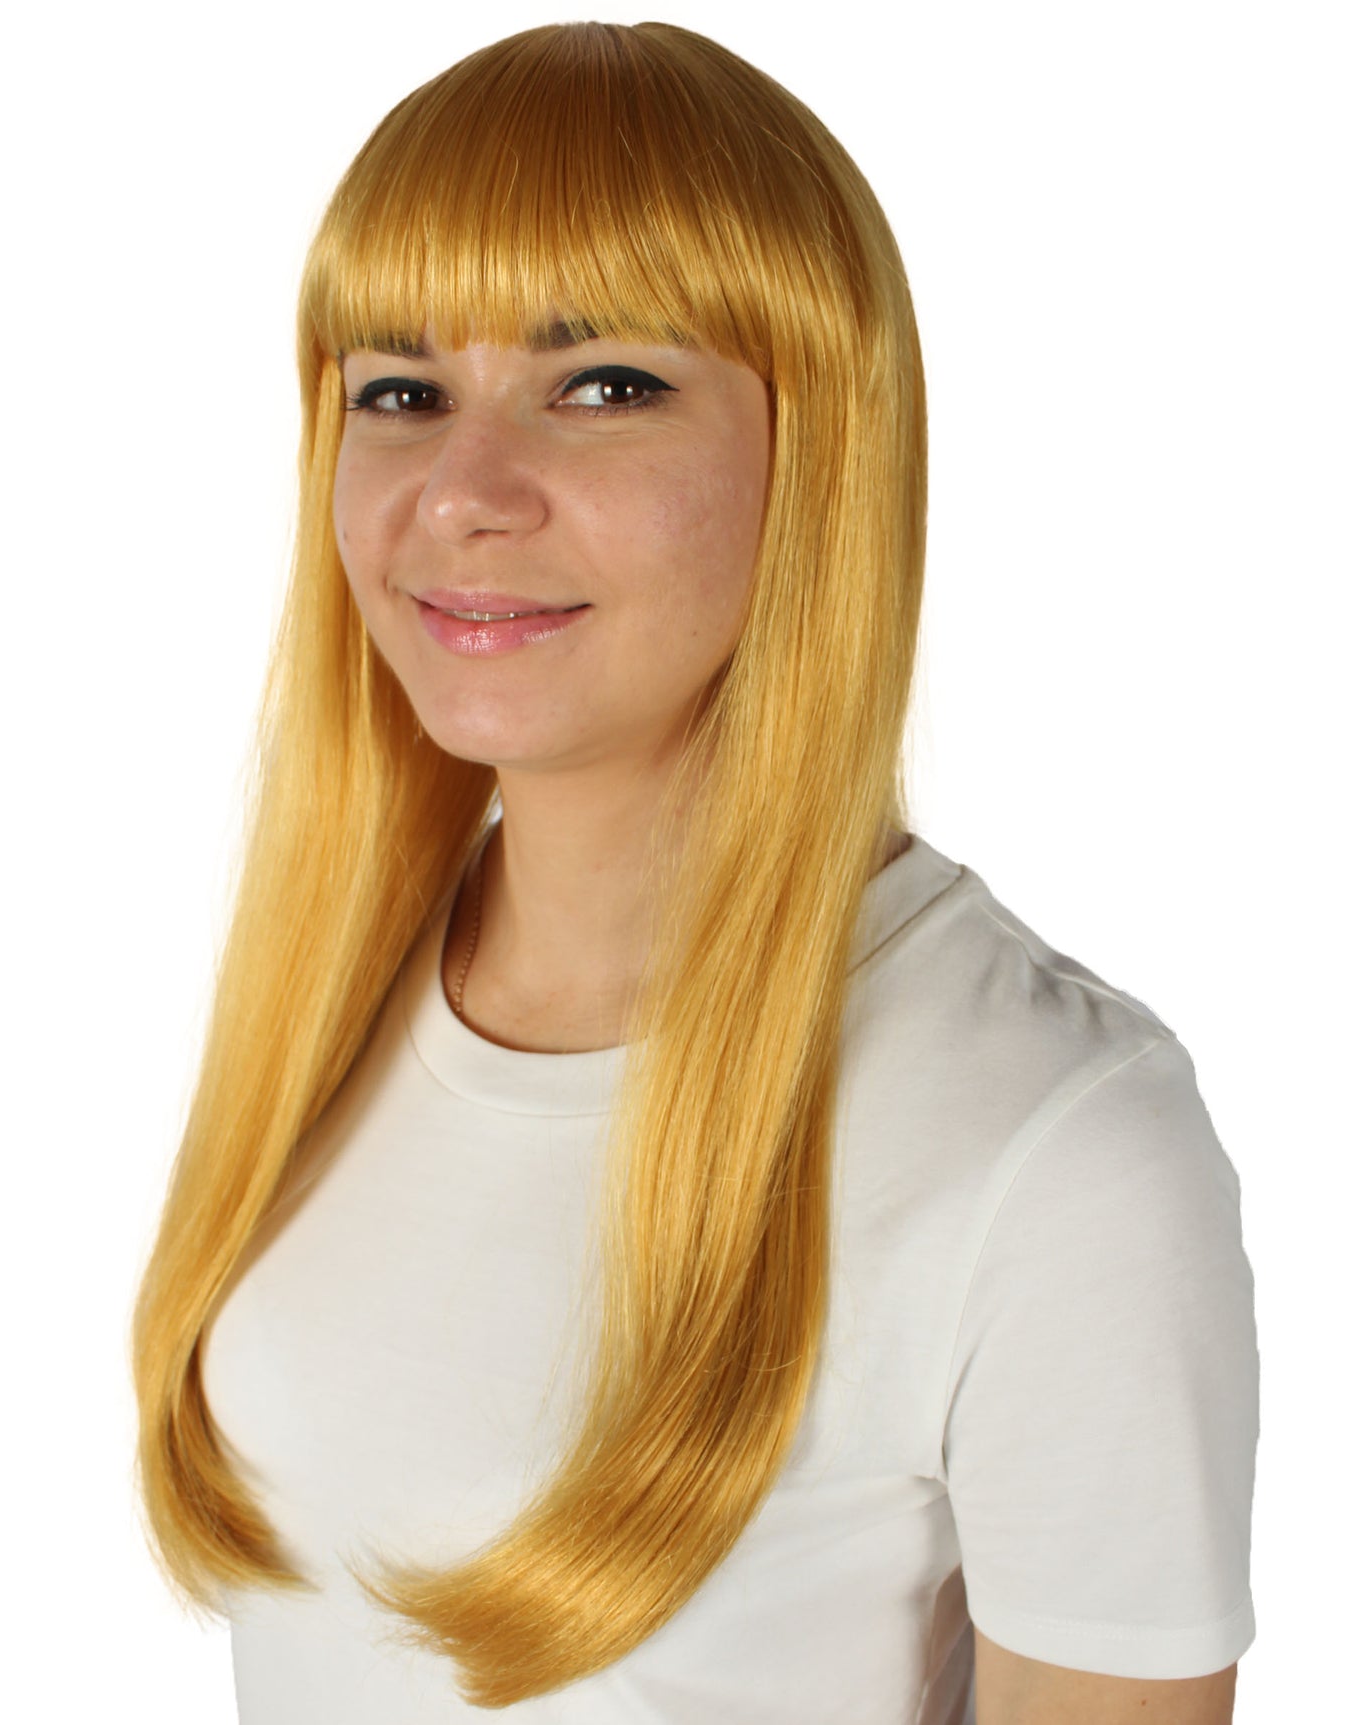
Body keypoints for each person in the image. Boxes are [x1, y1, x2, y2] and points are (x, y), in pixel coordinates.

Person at [131, 22, 1257, 1724]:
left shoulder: (1055, 1144)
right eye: (399, 392)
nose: (462, 493)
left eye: (604, 385)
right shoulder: (334, 992)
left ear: (818, 445)